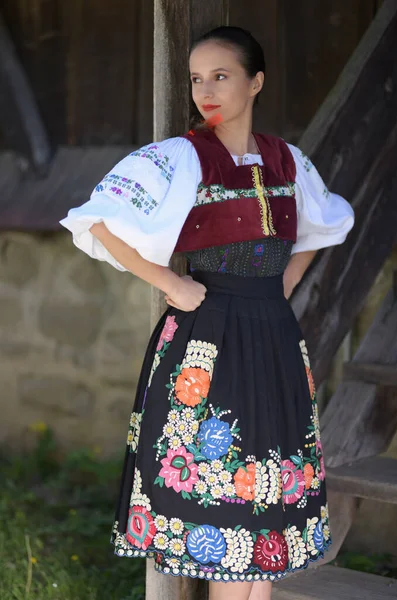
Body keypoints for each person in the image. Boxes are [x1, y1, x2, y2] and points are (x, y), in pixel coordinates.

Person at [60, 25, 354, 600]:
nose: (206, 91)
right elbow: (93, 220)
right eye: (197, 78)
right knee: (224, 503)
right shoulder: (179, 158)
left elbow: (329, 222)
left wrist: (284, 280)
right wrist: (168, 280)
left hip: (272, 340)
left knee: (267, 501)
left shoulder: (287, 161)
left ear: (256, 82)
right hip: (208, 341)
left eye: (221, 76)